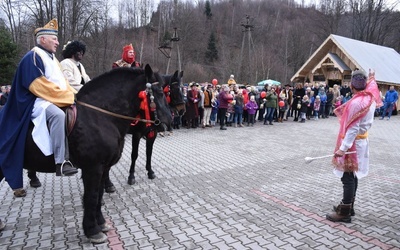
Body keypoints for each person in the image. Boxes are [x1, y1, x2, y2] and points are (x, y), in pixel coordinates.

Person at [0, 19, 78, 198]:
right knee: (58, 115)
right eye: (54, 39)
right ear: (42, 39)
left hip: (49, 98)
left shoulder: (53, 59)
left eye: (57, 39)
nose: (58, 42)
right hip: (34, 101)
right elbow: (39, 86)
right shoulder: (33, 56)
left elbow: (63, 83)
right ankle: (61, 161)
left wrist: (75, 95)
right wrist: (68, 98)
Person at [326, 69, 382, 223]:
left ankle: (345, 212)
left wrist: (343, 148)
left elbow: (353, 128)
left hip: (353, 144)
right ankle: (349, 206)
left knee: (347, 177)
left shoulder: (357, 102)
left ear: (351, 85)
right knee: (353, 175)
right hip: (360, 142)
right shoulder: (369, 97)